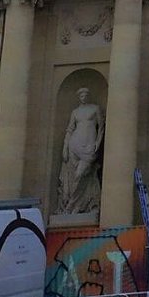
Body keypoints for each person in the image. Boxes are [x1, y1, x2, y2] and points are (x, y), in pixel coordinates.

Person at [55, 87, 105, 215]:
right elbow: (70, 129)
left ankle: (71, 206)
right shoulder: (75, 112)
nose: (83, 97)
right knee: (72, 176)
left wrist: (97, 144)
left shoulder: (95, 109)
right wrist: (65, 147)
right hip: (74, 145)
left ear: (88, 96)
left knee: (80, 175)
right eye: (81, 95)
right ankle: (74, 207)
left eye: (85, 95)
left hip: (89, 146)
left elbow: (101, 128)